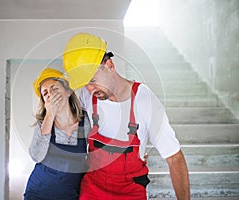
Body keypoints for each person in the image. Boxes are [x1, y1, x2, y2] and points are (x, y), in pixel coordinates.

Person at [62, 33, 190, 200]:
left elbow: (174, 158)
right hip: (93, 188)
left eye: (92, 80)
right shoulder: (88, 97)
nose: (90, 89)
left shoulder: (145, 101)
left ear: (109, 65)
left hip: (130, 191)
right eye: (85, 84)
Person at [24, 68, 91, 200]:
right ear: (44, 102)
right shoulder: (43, 123)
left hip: (71, 195)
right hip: (37, 194)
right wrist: (50, 114)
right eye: (45, 93)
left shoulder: (86, 122)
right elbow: (36, 156)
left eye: (54, 89)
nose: (51, 94)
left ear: (67, 91)